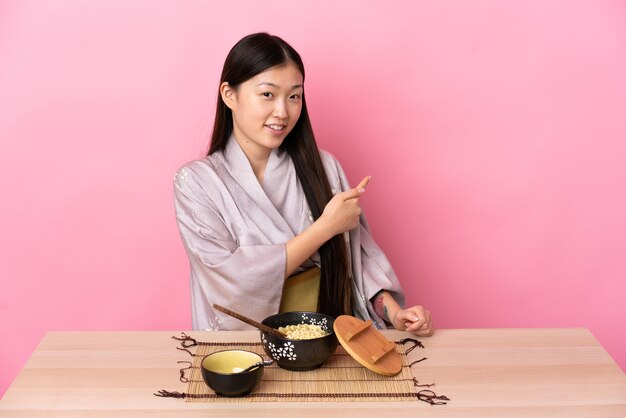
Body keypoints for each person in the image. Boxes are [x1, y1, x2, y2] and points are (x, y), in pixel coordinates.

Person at [173, 32, 432, 336]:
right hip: (248, 348)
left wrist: (397, 313)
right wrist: (324, 228)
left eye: (294, 96)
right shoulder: (196, 183)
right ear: (229, 95)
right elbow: (231, 283)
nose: (283, 112)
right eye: (267, 94)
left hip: (328, 342)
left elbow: (359, 265)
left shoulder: (324, 167)